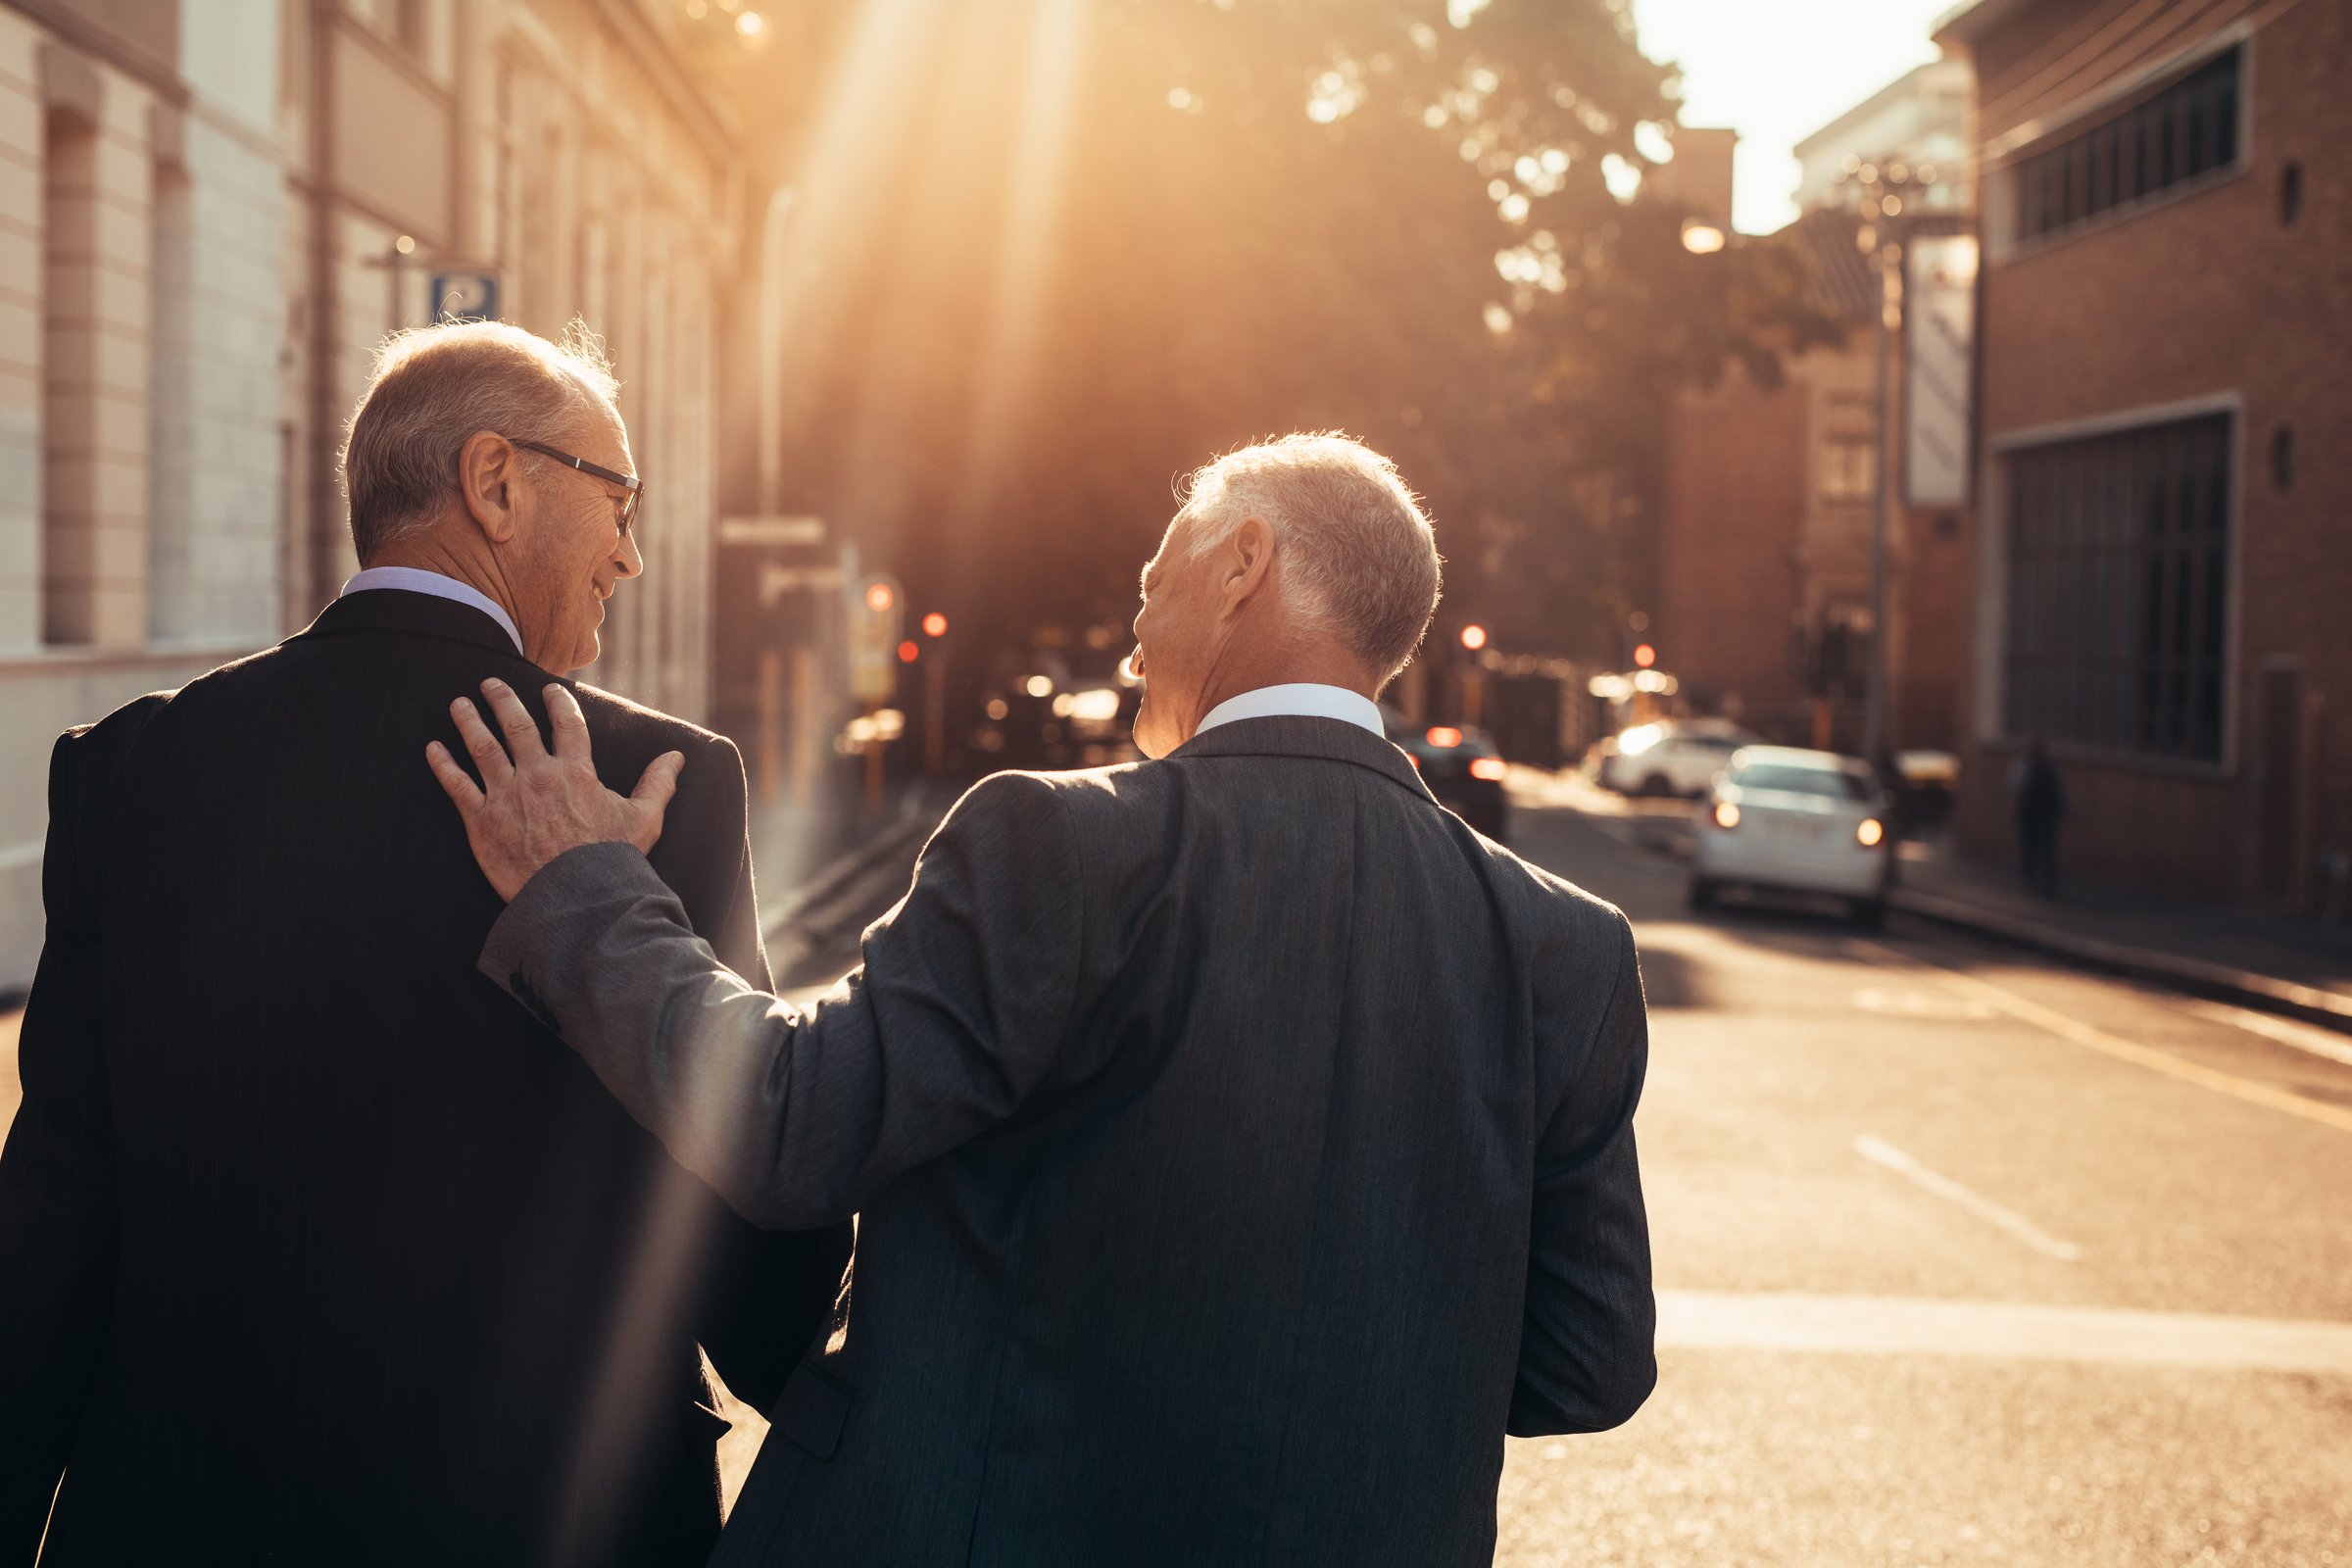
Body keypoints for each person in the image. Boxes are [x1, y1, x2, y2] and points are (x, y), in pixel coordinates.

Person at [432, 433, 1656, 1565]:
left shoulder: (1062, 846)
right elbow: (1590, 1360)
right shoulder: (1566, 945)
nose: (1133, 635)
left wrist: (585, 887)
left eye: (1152, 579)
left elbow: (793, 1123)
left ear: (1246, 564)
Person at [0, 320, 850, 1566]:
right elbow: (735, 1188)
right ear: (496, 483)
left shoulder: (130, 766)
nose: (633, 551)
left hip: (183, 1515)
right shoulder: (652, 780)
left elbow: (57, 1214)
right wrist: (877, 1431)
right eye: (617, 498)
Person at [2011, 735, 2067, 898]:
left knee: (2030, 848)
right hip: (2045, 813)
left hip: (2030, 812)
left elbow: (2014, 785)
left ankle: (2031, 880)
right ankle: (2046, 883)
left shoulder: (2025, 764)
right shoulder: (2050, 765)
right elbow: (2060, 790)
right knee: (2046, 850)